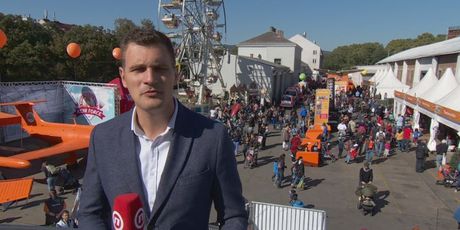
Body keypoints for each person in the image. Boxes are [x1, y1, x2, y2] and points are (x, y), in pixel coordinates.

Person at [78, 28, 247, 229]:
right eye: (139, 69)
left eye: (159, 68)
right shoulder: (103, 138)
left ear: (176, 75)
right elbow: (90, 213)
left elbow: (233, 216)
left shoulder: (212, 138)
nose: (150, 78)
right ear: (123, 77)